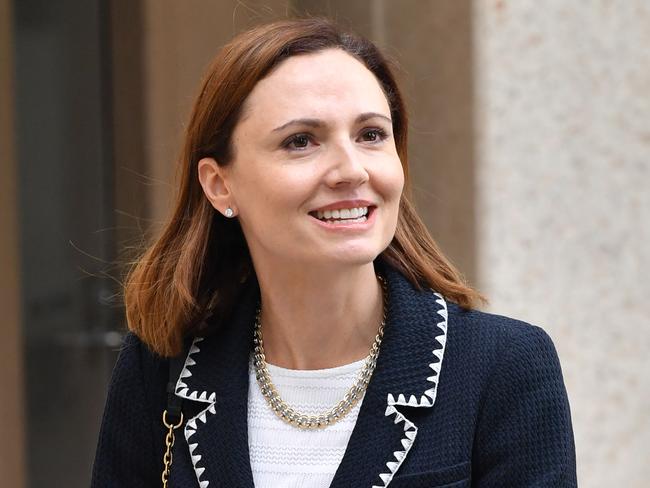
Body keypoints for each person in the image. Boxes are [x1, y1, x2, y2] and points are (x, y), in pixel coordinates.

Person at [91, 17, 577, 488]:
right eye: (301, 141)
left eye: (371, 135)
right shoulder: (160, 367)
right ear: (220, 185)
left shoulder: (503, 366)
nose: (351, 170)